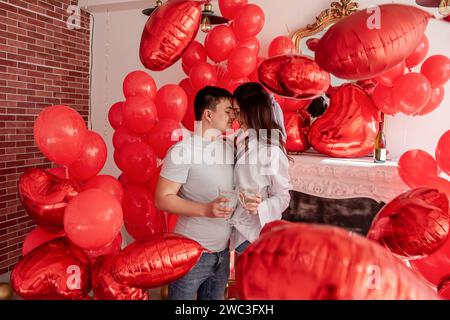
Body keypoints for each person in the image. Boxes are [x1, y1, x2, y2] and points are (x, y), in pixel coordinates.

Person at [155, 86, 237, 300]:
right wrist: (205, 209)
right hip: (190, 254)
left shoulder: (229, 148)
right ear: (208, 114)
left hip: (222, 254)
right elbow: (162, 198)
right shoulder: (183, 151)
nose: (233, 116)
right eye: (228, 111)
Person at [229, 82, 292, 255]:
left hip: (256, 236)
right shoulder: (240, 139)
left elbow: (283, 196)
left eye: (238, 111)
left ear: (252, 110)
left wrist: (261, 207)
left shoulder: (271, 151)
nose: (235, 117)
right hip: (237, 231)